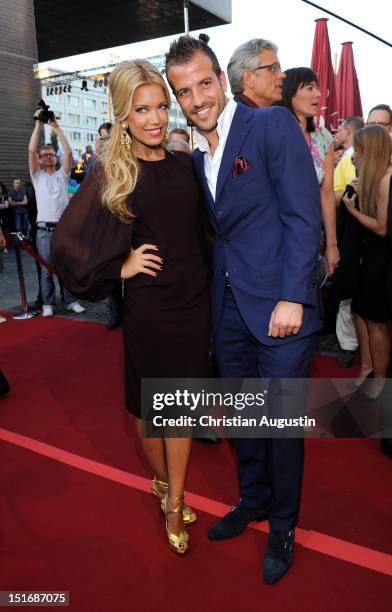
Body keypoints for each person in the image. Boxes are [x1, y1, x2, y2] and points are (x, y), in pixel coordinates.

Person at [165, 35, 321, 583]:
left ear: (222, 81)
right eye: (183, 92)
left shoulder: (270, 125)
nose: (197, 98)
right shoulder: (194, 154)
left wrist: (293, 296)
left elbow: (305, 217)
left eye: (204, 83)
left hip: (281, 307)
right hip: (228, 309)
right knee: (246, 420)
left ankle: (283, 525)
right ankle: (253, 499)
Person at [52, 60, 210, 556]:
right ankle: (164, 485)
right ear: (123, 113)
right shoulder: (113, 170)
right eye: (142, 109)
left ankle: (174, 498)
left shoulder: (187, 163)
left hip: (194, 302)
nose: (156, 118)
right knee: (149, 411)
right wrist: (118, 266)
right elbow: (65, 240)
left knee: (180, 409)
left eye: (161, 106)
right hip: (150, 307)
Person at [342, 124, 392, 398]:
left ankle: (381, 379)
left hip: (381, 261)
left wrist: (352, 210)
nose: (353, 157)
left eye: (357, 150)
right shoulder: (373, 176)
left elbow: (383, 228)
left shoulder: (386, 179)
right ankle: (368, 367)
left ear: (369, 151)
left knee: (376, 321)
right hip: (367, 257)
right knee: (361, 312)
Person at [281, 67, 340, 277]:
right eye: (309, 88)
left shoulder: (323, 137)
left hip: (312, 238)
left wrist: (332, 244)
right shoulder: (273, 132)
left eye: (317, 88)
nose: (318, 94)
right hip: (277, 241)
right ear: (290, 92)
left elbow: (327, 194)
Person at [28, 118, 85, 318]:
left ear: (55, 158)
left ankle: (71, 300)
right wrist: (37, 126)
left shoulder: (62, 175)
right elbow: (31, 150)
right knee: (46, 270)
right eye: (44, 155)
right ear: (39, 159)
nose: (48, 157)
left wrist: (56, 127)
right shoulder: (37, 176)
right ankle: (48, 304)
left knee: (66, 267)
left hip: (63, 229)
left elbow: (68, 152)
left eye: (51, 154)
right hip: (44, 230)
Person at [333, 116, 364, 368]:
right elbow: (334, 199)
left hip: (378, 250)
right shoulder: (345, 160)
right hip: (352, 240)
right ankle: (348, 346)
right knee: (347, 297)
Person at [227, 38, 286, 108]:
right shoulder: (234, 117)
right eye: (274, 68)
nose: (283, 75)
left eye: (279, 68)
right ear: (248, 78)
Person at [0, 182, 10, 252]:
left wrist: (2, 205)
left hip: (4, 216)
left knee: (5, 231)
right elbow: (4, 205)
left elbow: (7, 205)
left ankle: (5, 247)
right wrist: (3, 205)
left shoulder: (5, 195)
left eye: (0, 188)